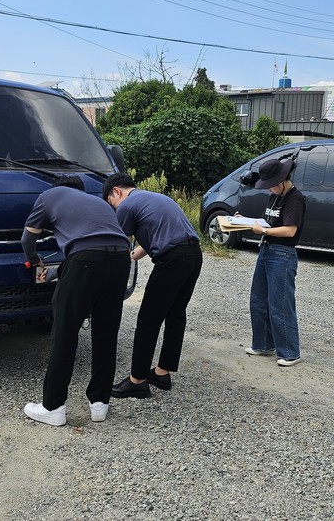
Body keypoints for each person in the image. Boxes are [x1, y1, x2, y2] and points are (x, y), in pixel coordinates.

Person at [22, 175, 131, 426]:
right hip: (120, 259)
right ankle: (100, 404)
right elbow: (94, 245)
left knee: (65, 332)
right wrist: (57, 272)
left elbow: (27, 239)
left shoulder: (49, 195)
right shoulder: (99, 203)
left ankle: (53, 407)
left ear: (58, 188)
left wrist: (35, 259)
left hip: (86, 260)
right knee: (106, 333)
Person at [101, 173, 203, 399]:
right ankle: (162, 373)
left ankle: (137, 381)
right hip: (193, 254)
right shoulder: (153, 198)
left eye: (111, 202)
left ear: (116, 191)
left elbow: (120, 243)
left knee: (148, 318)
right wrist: (133, 257)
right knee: (176, 314)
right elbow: (153, 239)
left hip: (172, 259)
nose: (113, 208)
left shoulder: (126, 206)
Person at [243, 156, 306, 367]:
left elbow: (290, 230)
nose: (269, 189)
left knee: (280, 303)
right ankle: (263, 344)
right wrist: (244, 221)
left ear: (282, 180)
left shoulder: (294, 199)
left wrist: (263, 230)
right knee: (258, 300)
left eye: (271, 185)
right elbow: (267, 221)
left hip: (282, 254)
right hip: (266, 249)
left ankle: (290, 352)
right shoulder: (275, 195)